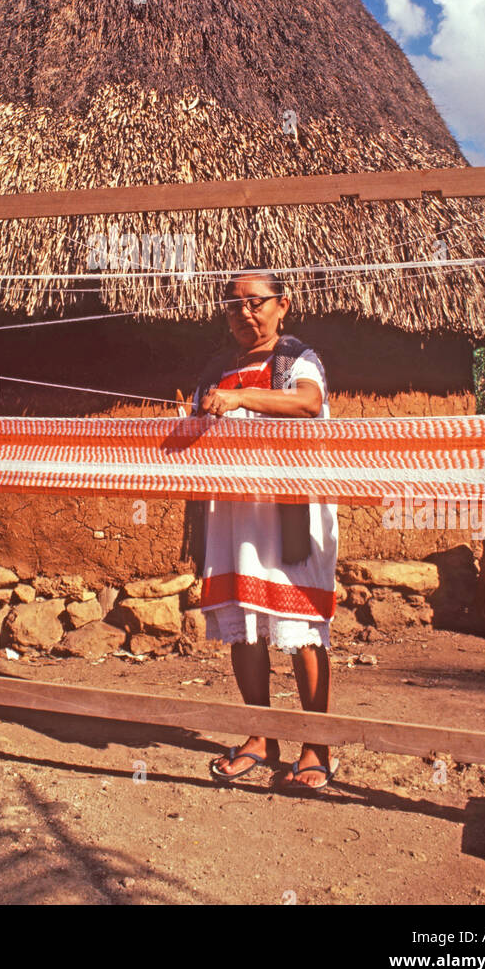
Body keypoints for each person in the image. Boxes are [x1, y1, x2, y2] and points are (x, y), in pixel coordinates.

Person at [188, 268, 339, 790]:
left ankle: (315, 745)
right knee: (245, 622)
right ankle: (260, 734)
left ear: (283, 305)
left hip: (289, 511)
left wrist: (241, 400)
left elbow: (307, 403)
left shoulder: (298, 359)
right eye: (234, 305)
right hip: (233, 512)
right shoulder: (216, 368)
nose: (244, 313)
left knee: (299, 629)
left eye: (256, 302)